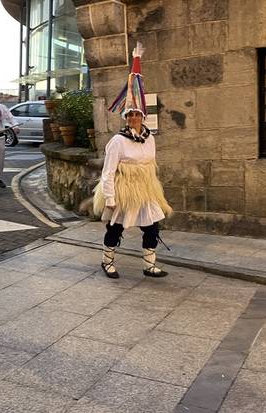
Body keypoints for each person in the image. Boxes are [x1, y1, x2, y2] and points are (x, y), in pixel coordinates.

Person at [93, 42, 172, 279]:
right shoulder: (118, 141)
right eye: (131, 115)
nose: (135, 118)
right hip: (124, 189)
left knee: (152, 226)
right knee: (116, 227)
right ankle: (107, 261)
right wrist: (110, 197)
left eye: (138, 114)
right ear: (127, 118)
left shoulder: (149, 139)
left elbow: (151, 165)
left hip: (145, 189)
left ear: (143, 116)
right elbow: (108, 172)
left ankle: (149, 265)